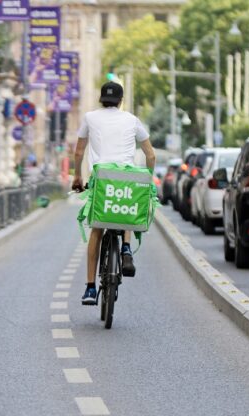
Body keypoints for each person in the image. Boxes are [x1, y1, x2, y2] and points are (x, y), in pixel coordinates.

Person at [72, 81, 156, 305]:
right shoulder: (132, 120)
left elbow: (79, 151)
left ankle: (90, 288)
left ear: (101, 99)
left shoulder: (90, 118)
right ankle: (126, 248)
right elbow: (151, 155)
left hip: (102, 179)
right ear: (120, 101)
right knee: (126, 207)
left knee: (97, 232)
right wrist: (148, 178)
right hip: (127, 178)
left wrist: (78, 177)